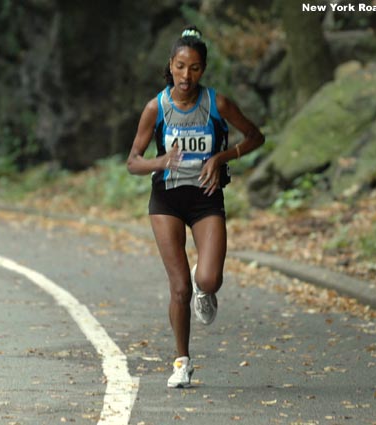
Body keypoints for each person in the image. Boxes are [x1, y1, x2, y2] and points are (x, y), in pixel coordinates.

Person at [127, 26, 265, 388]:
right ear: (170, 66)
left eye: (195, 68)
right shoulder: (156, 107)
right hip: (167, 200)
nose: (186, 76)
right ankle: (182, 362)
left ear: (203, 69)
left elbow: (256, 136)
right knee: (178, 288)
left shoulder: (217, 104)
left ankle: (204, 289)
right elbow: (133, 162)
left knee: (206, 279)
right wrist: (160, 162)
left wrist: (221, 157)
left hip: (206, 197)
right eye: (180, 66)